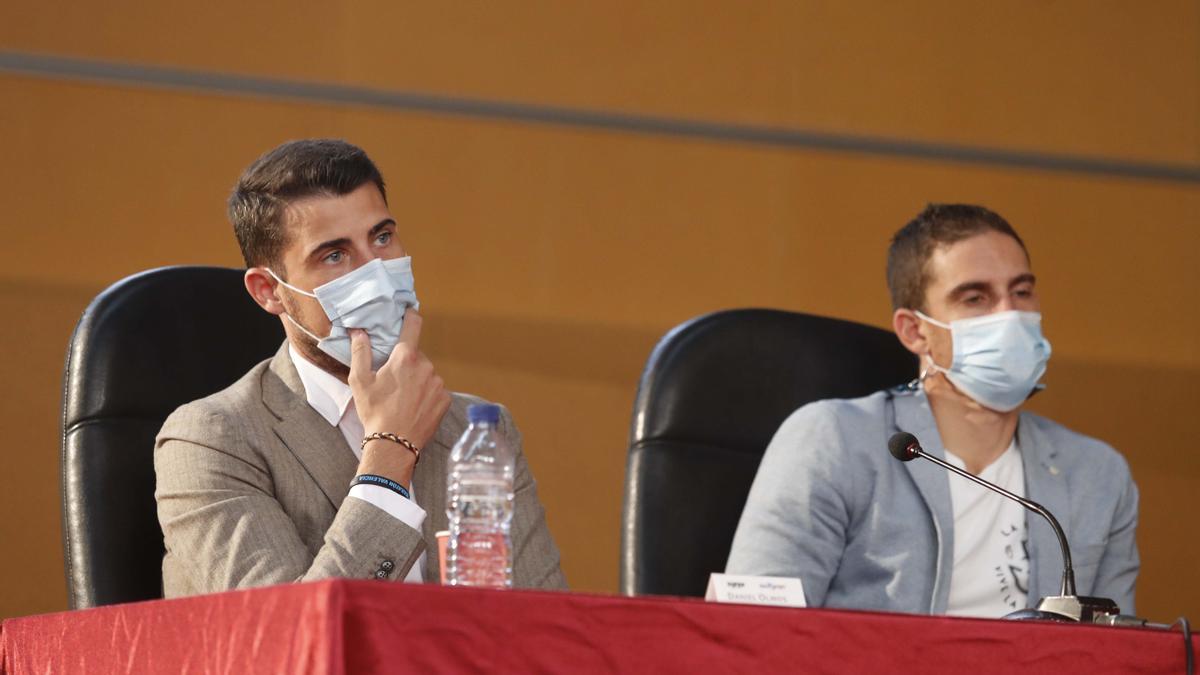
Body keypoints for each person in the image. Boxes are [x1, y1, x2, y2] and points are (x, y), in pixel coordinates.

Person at [154, 139, 566, 596]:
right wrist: (391, 453)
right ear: (268, 292)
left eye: (382, 237)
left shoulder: (480, 432)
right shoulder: (211, 438)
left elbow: (547, 633)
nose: (377, 273)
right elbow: (285, 645)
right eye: (334, 255)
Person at [725, 204, 1138, 617]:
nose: (1009, 315)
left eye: (1022, 292)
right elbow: (752, 631)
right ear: (915, 330)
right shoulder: (832, 441)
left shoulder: (1098, 475)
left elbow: (1114, 653)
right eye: (975, 298)